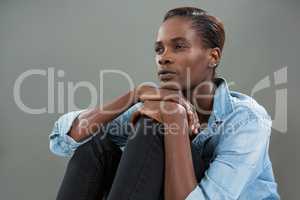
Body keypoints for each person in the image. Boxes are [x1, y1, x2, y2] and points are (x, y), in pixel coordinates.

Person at [49, 7, 280, 200]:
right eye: (159, 49)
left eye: (179, 46)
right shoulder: (153, 104)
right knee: (97, 145)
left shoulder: (247, 120)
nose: (163, 57)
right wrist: (136, 94)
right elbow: (66, 139)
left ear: (213, 57)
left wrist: (174, 118)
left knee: (151, 128)